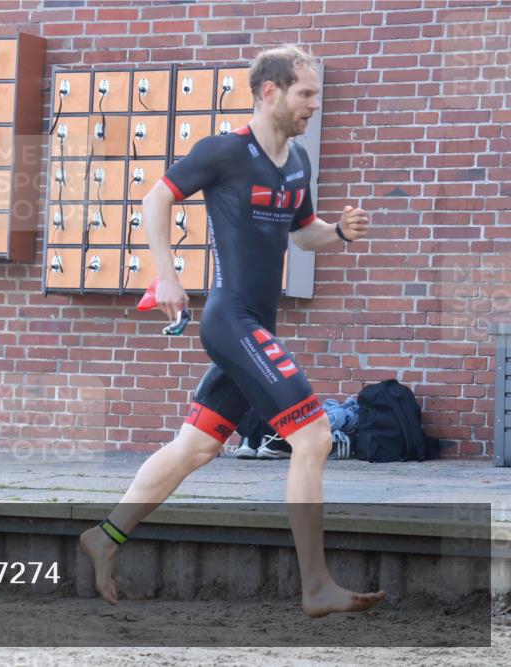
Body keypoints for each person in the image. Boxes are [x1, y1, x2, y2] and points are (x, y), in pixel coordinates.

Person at [80, 45, 385, 618]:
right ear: (270, 92)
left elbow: (304, 234)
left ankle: (105, 536)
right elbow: (155, 199)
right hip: (230, 320)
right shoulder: (224, 151)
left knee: (195, 447)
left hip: (253, 327)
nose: (314, 105)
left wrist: (338, 232)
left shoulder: (297, 163)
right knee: (314, 437)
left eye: (316, 94)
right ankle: (316, 585)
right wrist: (167, 276)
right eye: (306, 94)